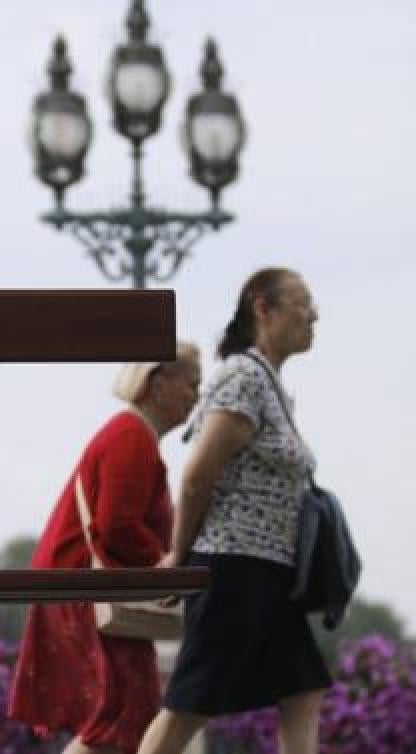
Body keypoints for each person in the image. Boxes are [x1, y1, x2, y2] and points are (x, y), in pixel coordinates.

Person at [137, 268, 329, 754]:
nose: (314, 315)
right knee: (189, 705)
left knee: (302, 688)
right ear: (263, 308)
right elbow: (198, 473)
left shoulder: (269, 384)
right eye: (302, 304)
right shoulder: (243, 377)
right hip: (235, 564)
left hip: (270, 569)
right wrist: (179, 559)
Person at [8, 342, 202, 754]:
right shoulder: (131, 436)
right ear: (158, 382)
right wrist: (163, 563)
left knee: (121, 714)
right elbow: (116, 527)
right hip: (85, 591)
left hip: (77, 587)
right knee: (120, 715)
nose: (195, 397)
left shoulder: (131, 434)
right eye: (191, 384)